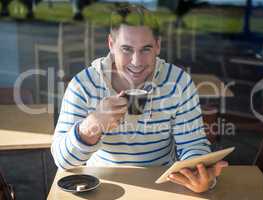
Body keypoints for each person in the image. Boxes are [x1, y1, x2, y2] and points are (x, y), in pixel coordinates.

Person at [51, 5, 228, 193]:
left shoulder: (179, 82)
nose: (136, 62)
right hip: (104, 187)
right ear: (111, 44)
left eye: (146, 49)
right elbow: (62, 161)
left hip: (164, 186)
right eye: (126, 49)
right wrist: (91, 126)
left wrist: (199, 176)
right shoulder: (82, 85)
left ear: (158, 46)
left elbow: (193, 144)